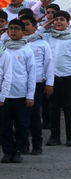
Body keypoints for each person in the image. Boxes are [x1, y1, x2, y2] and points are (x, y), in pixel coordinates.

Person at [44, 10, 71, 147]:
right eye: (56, 19)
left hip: (69, 77)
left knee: (69, 107)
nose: (58, 22)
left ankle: (70, 137)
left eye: (62, 19)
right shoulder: (47, 37)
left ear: (68, 23)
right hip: (52, 79)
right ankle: (54, 136)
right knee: (53, 108)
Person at [1, 19, 36, 163]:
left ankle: (18, 150)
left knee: (21, 124)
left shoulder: (27, 50)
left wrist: (30, 95)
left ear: (23, 32)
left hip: (21, 93)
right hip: (4, 95)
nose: (13, 31)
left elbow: (31, 73)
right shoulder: (3, 49)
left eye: (16, 29)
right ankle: (8, 151)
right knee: (4, 125)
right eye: (11, 29)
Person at [21, 15, 54, 155]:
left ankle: (37, 145)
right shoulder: (14, 43)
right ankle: (22, 146)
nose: (24, 28)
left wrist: (50, 84)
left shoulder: (42, 44)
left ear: (35, 27)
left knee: (35, 116)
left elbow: (49, 65)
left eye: (27, 24)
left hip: (36, 84)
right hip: (18, 86)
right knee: (20, 118)